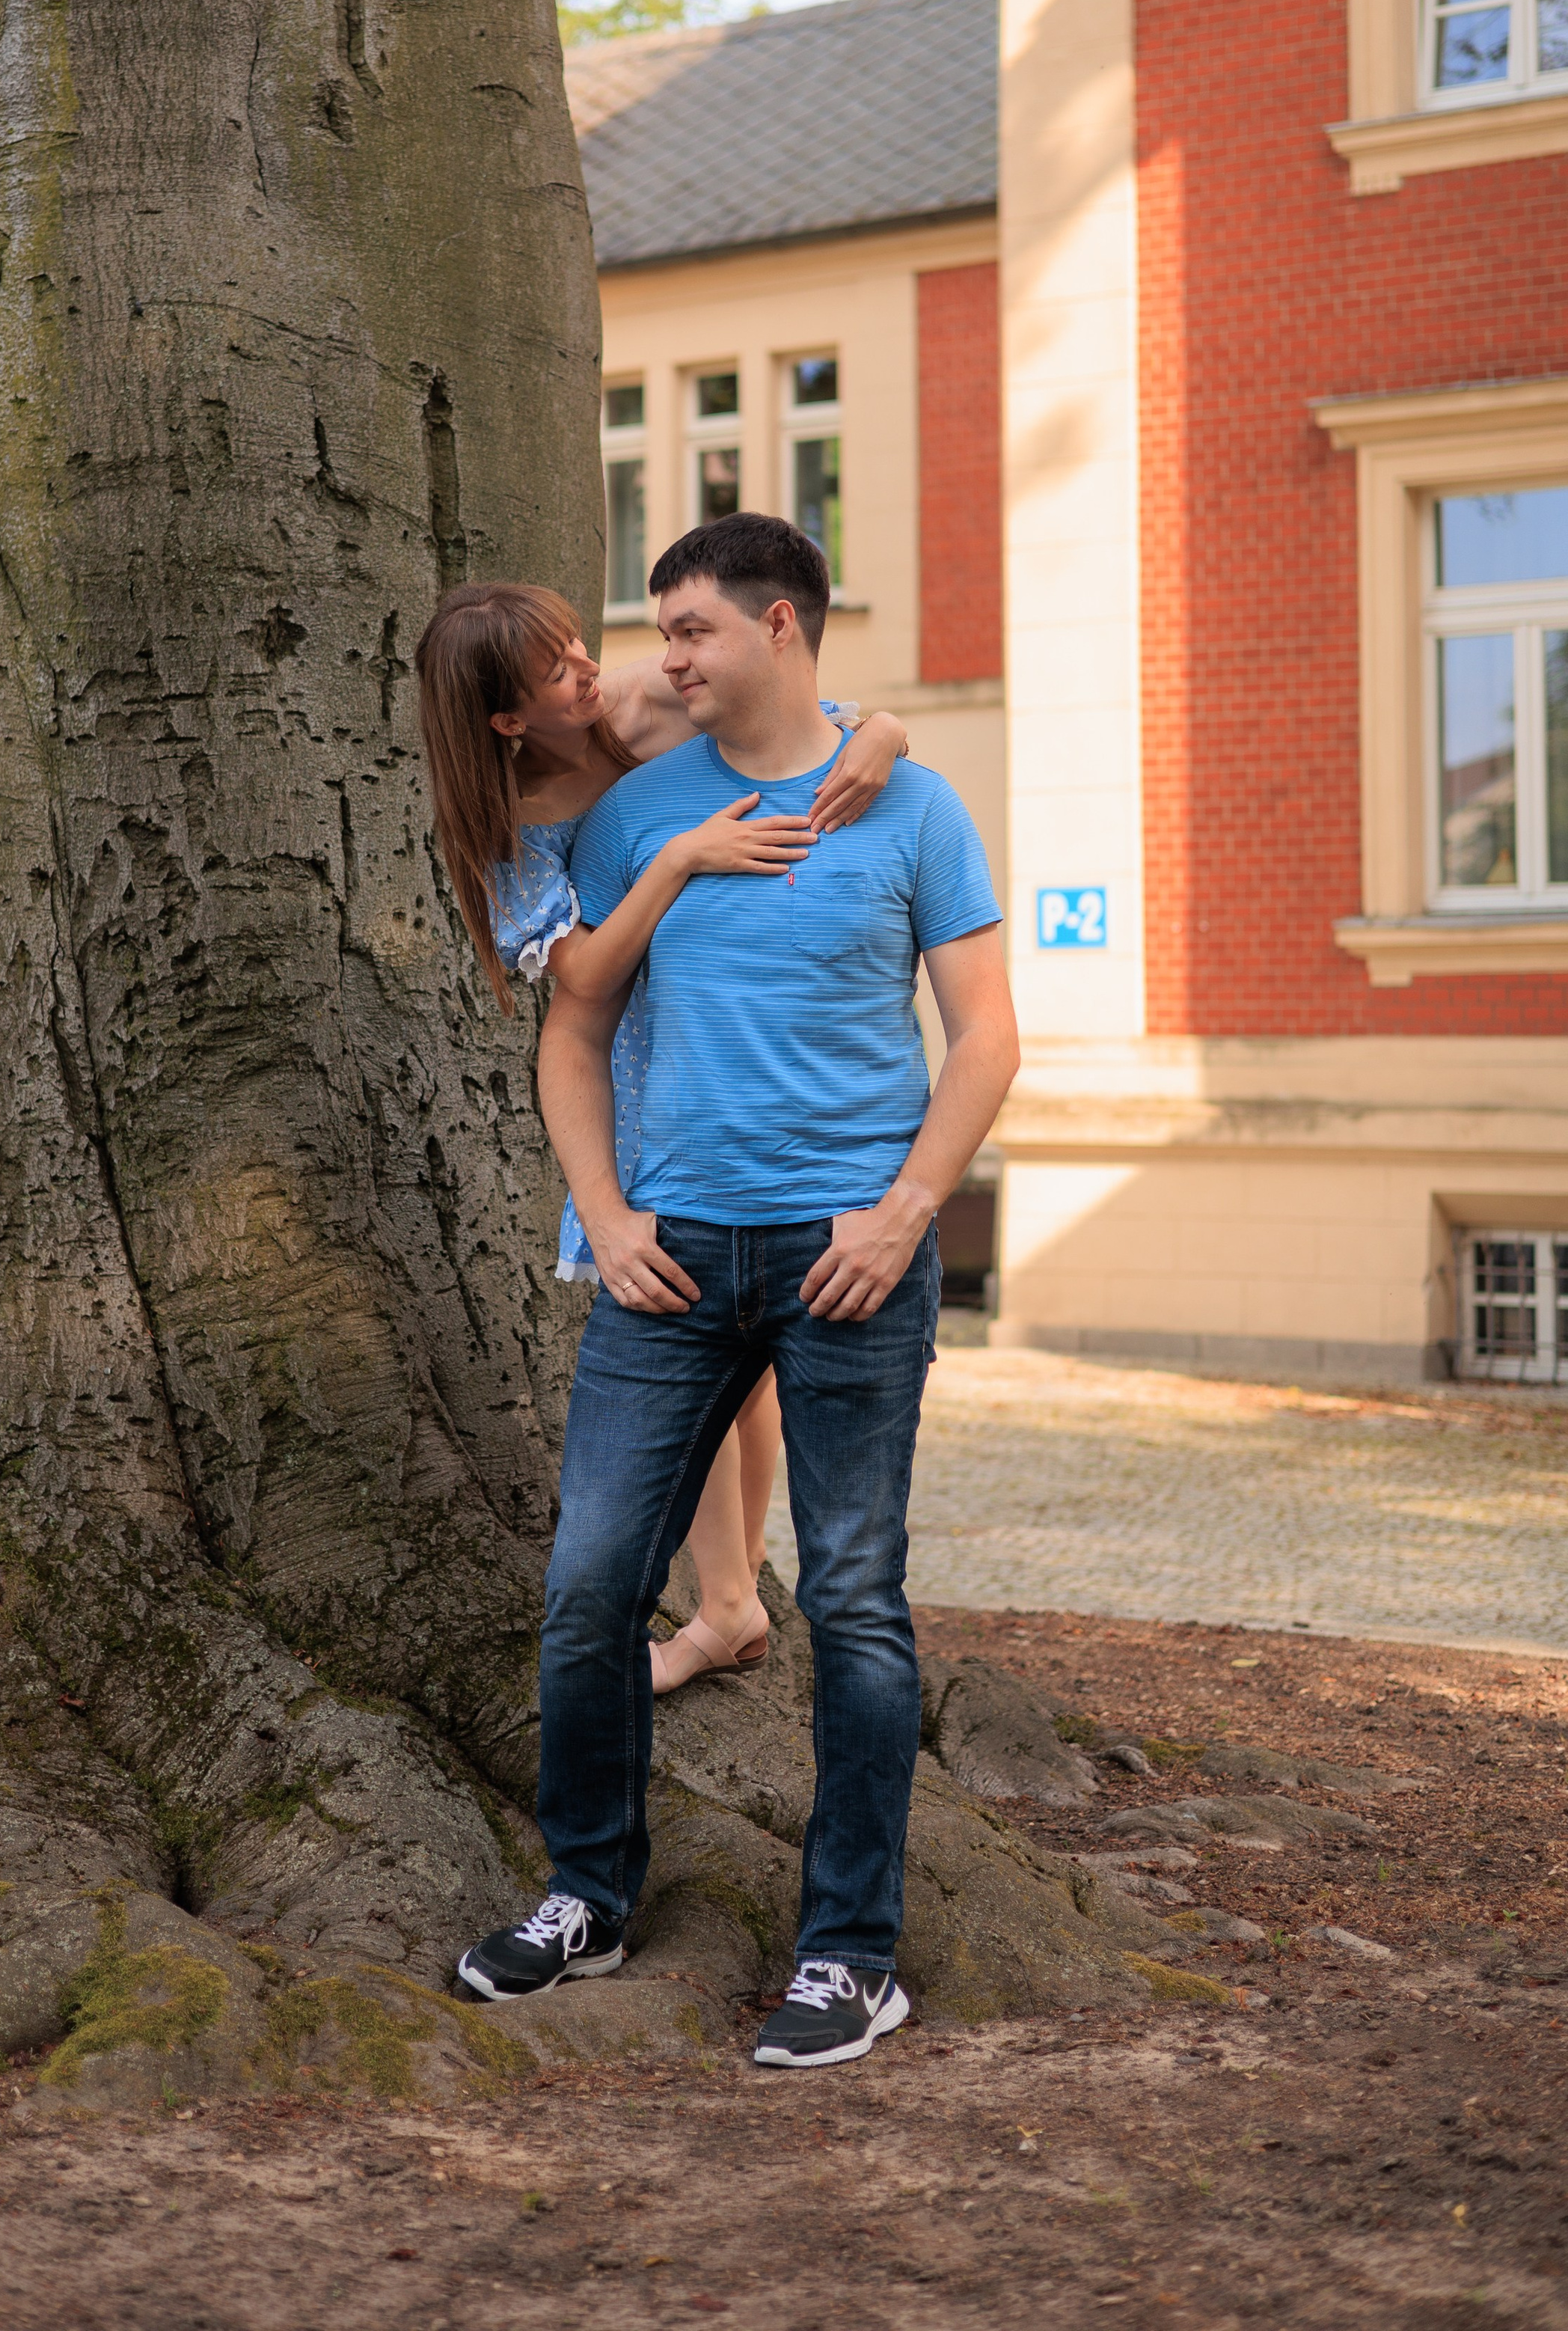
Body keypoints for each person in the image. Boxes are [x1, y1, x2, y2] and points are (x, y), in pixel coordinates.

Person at [453, 515, 1019, 2071]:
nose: (662, 661)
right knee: (583, 1591)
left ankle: (848, 1956)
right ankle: (588, 1894)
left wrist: (910, 1215)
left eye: (690, 630)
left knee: (851, 1603)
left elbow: (982, 1037)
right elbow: (569, 1033)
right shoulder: (638, 816)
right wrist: (604, 1216)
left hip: (852, 1262)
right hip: (672, 1259)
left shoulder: (910, 808)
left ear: (780, 625)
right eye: (658, 632)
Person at [415, 581, 911, 1692]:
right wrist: (677, 860)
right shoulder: (505, 814)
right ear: (506, 720)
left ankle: (732, 1599)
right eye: (558, 672)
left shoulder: (638, 706)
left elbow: (803, 720)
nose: (593, 672)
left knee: (757, 1376)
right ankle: (727, 1599)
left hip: (725, 1027)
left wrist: (883, 731)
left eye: (580, 648)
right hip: (640, 1066)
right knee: (703, 1330)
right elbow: (581, 975)